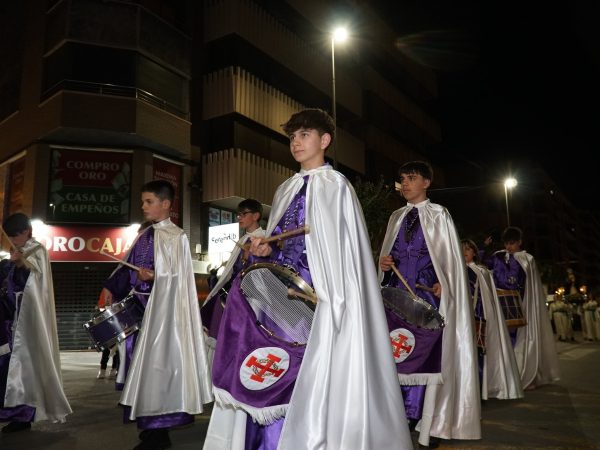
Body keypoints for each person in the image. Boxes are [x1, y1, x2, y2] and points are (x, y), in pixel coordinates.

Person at [203, 108, 412, 450]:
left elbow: (342, 256)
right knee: (272, 365)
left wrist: (331, 297)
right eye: (292, 137)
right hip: (279, 298)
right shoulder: (286, 188)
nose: (296, 143)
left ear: (324, 140)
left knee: (306, 372)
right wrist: (265, 251)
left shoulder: (336, 187)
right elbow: (279, 246)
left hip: (317, 299)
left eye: (304, 135)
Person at [100, 181, 212, 450]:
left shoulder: (177, 236)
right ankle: (148, 428)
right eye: (143, 201)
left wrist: (156, 276)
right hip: (140, 313)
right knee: (140, 373)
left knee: (159, 371)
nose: (143, 206)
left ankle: (158, 433)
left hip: (163, 316)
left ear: (165, 204)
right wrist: (110, 287)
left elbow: (179, 279)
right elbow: (127, 269)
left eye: (148, 201)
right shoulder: (144, 235)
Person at [378, 161, 480, 448]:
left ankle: (426, 417)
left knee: (426, 357)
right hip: (397, 298)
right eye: (402, 179)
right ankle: (398, 415)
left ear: (426, 183)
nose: (405, 184)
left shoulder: (440, 215)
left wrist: (443, 283)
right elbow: (389, 257)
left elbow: (449, 262)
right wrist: (384, 263)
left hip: (427, 299)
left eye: (411, 178)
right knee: (396, 353)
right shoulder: (396, 217)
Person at [0, 213, 72, 432]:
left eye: (16, 235)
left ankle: (23, 416)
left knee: (25, 367)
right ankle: (14, 414)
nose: (13, 240)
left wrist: (21, 264)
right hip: (10, 319)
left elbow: (34, 279)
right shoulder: (15, 253)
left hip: (26, 322)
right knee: (10, 369)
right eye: (10, 236)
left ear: (26, 231)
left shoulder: (37, 250)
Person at [480, 226, 560, 390]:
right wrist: (485, 247)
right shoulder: (499, 256)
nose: (509, 247)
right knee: (504, 341)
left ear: (519, 242)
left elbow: (515, 280)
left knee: (522, 341)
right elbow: (484, 263)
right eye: (507, 243)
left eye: (512, 243)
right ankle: (506, 377)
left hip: (520, 305)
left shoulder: (527, 259)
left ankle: (526, 375)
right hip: (501, 305)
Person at [201, 198, 265, 359]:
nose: (240, 218)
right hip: (233, 291)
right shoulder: (243, 240)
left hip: (251, 295)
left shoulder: (264, 238)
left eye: (244, 214)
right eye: (238, 215)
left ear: (256, 215)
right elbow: (232, 270)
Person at [461, 238, 523, 401]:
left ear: (474, 252)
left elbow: (488, 298)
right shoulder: (456, 271)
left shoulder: (483, 272)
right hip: (461, 320)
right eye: (461, 249)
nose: (464, 252)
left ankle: (481, 389)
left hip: (480, 318)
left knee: (479, 354)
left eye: (468, 249)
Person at [95, 290, 120, 379]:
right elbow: (99, 307)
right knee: (106, 348)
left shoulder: (119, 294)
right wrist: (105, 307)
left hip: (117, 324)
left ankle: (113, 369)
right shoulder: (105, 293)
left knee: (117, 349)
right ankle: (102, 369)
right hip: (107, 324)